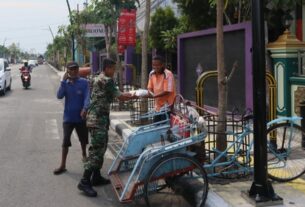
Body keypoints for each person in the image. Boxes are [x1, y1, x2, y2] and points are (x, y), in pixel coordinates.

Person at [77, 58, 134, 197]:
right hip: (97, 120)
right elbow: (120, 97)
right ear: (107, 68)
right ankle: (84, 181)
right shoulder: (106, 81)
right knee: (96, 151)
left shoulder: (98, 78)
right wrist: (135, 95)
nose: (114, 72)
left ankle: (95, 176)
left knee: (100, 148)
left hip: (97, 119)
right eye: (113, 69)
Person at [53, 61, 90, 175]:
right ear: (67, 71)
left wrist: (85, 108)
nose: (73, 71)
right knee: (65, 141)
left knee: (83, 140)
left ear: (78, 70)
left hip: (81, 118)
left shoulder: (84, 83)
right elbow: (59, 96)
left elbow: (87, 97)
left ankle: (84, 154)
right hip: (68, 118)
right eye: (71, 69)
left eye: (75, 69)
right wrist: (63, 81)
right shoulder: (66, 83)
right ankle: (63, 165)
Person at [147, 55, 176, 122]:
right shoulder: (152, 74)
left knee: (165, 127)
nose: (155, 67)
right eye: (154, 65)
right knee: (156, 125)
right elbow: (149, 88)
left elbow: (167, 91)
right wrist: (151, 93)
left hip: (168, 106)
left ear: (162, 65)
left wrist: (155, 95)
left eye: (158, 65)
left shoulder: (168, 74)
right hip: (157, 106)